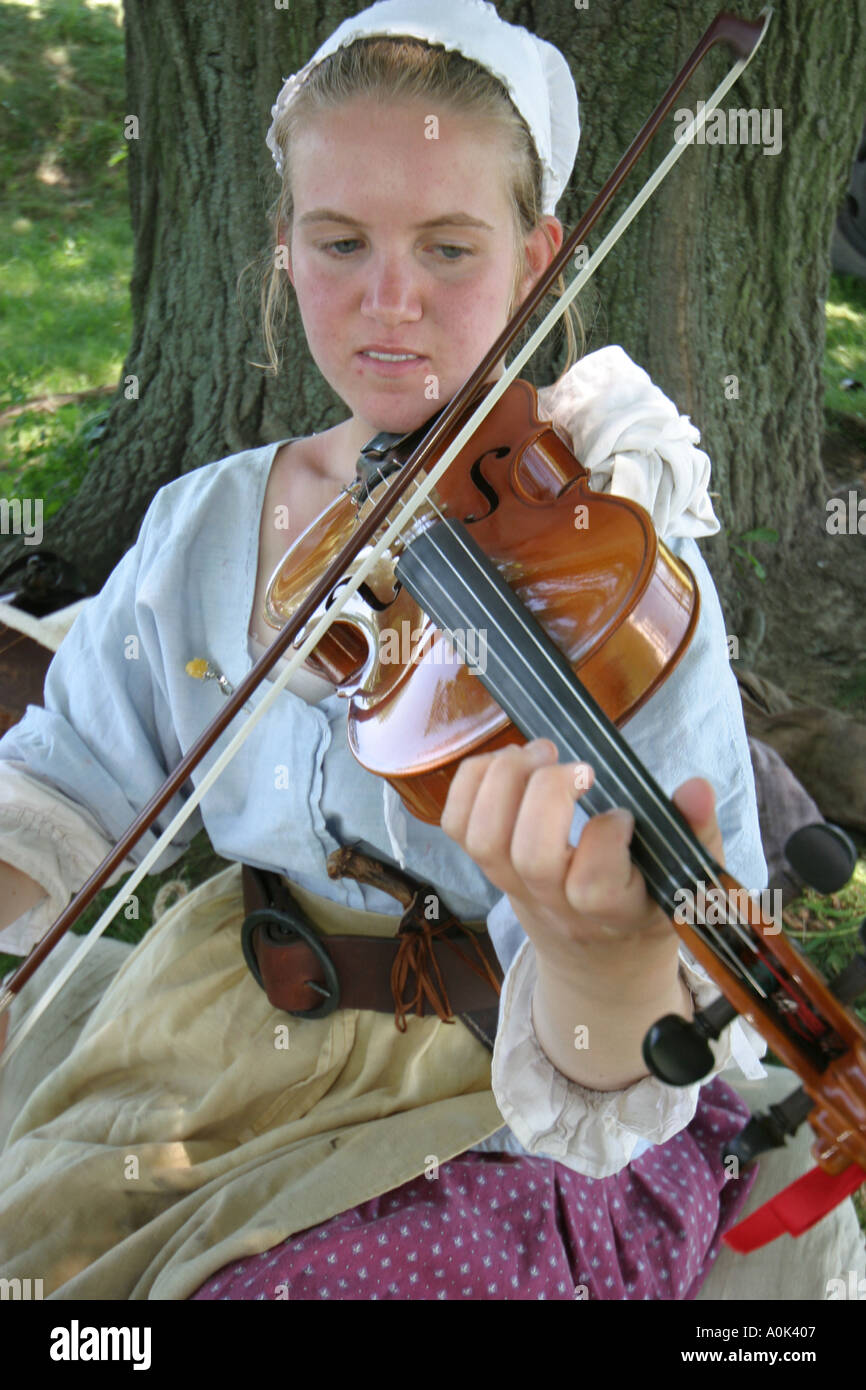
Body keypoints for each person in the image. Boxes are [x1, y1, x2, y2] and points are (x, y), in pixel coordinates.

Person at [0, 0, 861, 1302]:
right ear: (282, 250)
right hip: (213, 1036)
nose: (387, 302)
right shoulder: (209, 525)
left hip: (496, 1092)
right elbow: (69, 777)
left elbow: (649, 999)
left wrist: (592, 949)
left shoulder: (614, 575)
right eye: (339, 241)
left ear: (536, 258)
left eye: (448, 249)